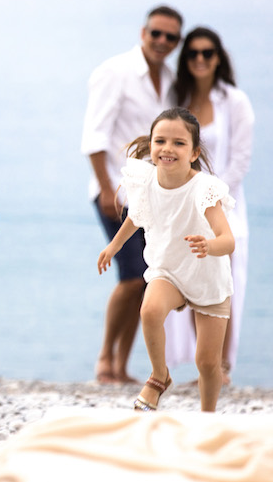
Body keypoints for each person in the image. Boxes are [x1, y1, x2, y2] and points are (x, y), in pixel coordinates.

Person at [98, 107, 235, 412]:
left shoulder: (204, 188)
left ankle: (207, 417)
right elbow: (136, 215)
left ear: (194, 151)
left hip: (207, 276)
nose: (167, 149)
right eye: (160, 141)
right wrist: (114, 246)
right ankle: (160, 376)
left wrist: (208, 246)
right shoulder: (146, 181)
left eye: (179, 143)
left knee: (208, 363)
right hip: (168, 271)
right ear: (151, 144)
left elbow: (228, 240)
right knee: (149, 310)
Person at [80, 5, 183, 384]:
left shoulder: (172, 80)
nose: (161, 41)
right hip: (117, 192)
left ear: (176, 42)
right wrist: (107, 188)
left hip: (156, 196)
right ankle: (105, 359)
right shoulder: (115, 72)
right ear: (144, 32)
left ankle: (121, 365)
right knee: (131, 276)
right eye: (156, 33)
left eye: (170, 37)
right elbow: (94, 136)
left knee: (147, 278)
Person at [164, 27, 255, 384]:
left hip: (223, 208)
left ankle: (221, 368)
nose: (200, 59)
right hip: (183, 205)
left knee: (224, 286)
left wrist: (211, 197)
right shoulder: (178, 97)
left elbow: (241, 159)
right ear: (185, 60)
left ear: (218, 58)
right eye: (193, 54)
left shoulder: (235, 101)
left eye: (207, 53)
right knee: (190, 285)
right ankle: (205, 366)